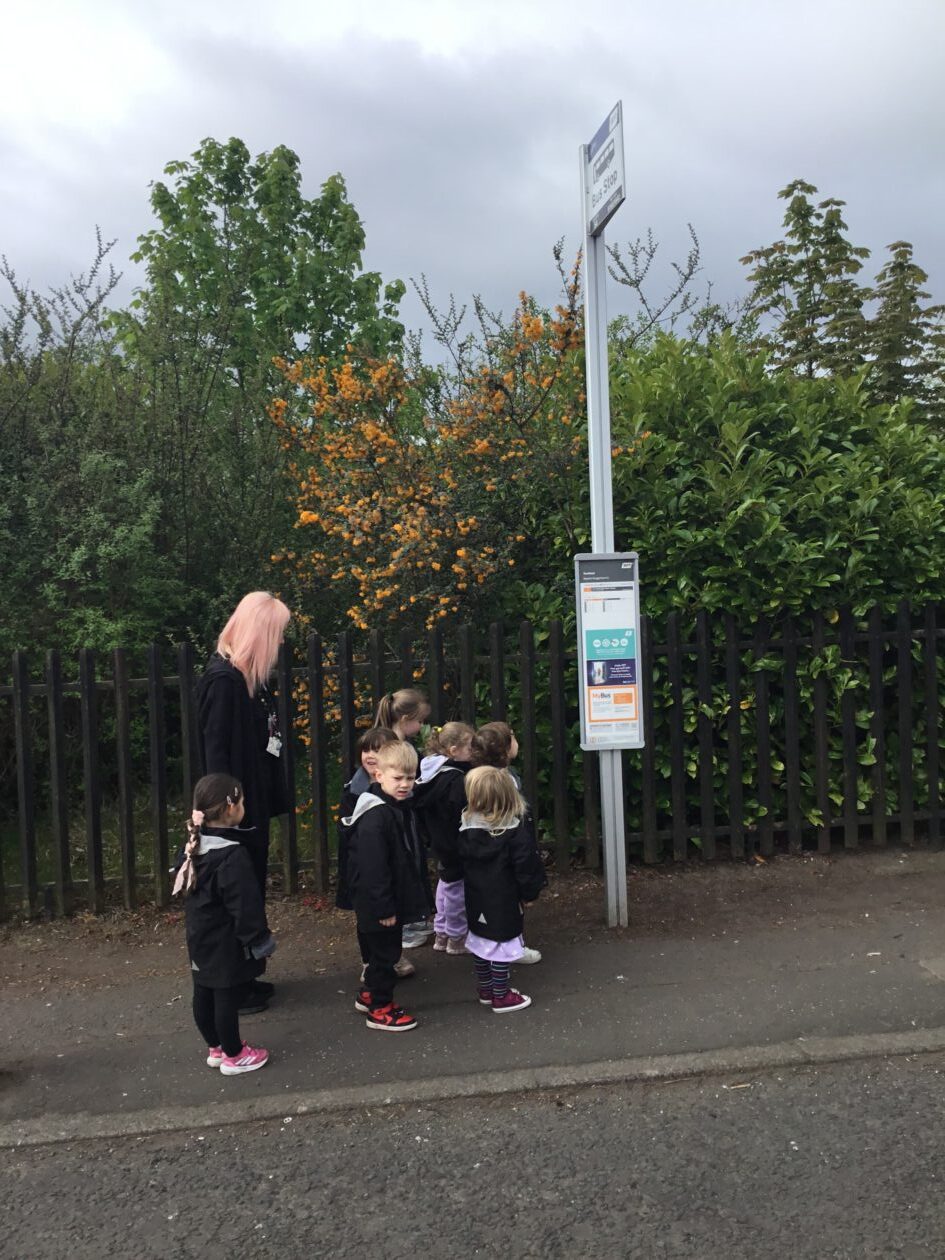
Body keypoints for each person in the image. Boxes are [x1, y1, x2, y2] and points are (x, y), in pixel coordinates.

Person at [196, 591, 290, 1010]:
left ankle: (246, 975)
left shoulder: (250, 681)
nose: (281, 642)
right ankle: (231, 986)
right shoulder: (224, 682)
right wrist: (224, 811)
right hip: (232, 813)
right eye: (277, 633)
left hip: (250, 804)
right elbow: (215, 752)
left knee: (249, 891)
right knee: (235, 895)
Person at [174, 774, 275, 1075]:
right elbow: (244, 904)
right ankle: (234, 1054)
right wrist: (258, 939)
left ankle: (215, 1047)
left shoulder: (193, 846)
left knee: (203, 990)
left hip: (199, 935)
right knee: (227, 996)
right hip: (226, 939)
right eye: (242, 802)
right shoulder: (232, 855)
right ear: (231, 808)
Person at [340, 740, 429, 1032]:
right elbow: (373, 869)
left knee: (384, 951)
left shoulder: (395, 807)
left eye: (410, 777)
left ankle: (370, 995)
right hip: (379, 903)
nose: (405, 784)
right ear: (379, 775)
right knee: (385, 956)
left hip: (386, 899)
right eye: (398, 778)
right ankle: (380, 1008)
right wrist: (384, 908)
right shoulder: (376, 816)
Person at [458, 766, 547, 1014]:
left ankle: (486, 989)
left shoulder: (466, 828)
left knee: (481, 942)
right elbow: (526, 867)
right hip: (504, 898)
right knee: (502, 944)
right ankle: (501, 995)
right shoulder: (514, 832)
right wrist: (530, 894)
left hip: (475, 896)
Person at [335, 727, 417, 982]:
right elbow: (359, 842)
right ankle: (371, 965)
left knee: (392, 921)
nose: (370, 755)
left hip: (392, 870)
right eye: (366, 749)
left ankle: (390, 959)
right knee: (371, 921)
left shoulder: (401, 794)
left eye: (377, 749)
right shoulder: (359, 793)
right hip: (366, 872)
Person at [469, 721, 543, 964]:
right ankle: (511, 949)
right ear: (506, 748)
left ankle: (491, 948)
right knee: (509, 907)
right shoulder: (504, 780)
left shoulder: (477, 777)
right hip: (507, 849)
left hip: (486, 857)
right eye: (513, 736)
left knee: (488, 905)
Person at [372, 688, 434, 949]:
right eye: (420, 720)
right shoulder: (397, 747)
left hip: (404, 814)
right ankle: (406, 924)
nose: (421, 726)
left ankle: (414, 918)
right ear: (406, 718)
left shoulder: (389, 742)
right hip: (397, 816)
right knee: (402, 865)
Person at [413, 721, 475, 954]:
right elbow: (459, 811)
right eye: (470, 747)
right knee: (457, 890)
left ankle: (442, 932)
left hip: (439, 839)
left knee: (446, 883)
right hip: (455, 840)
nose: (473, 752)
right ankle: (457, 937)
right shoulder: (455, 779)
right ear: (454, 750)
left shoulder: (430, 772)